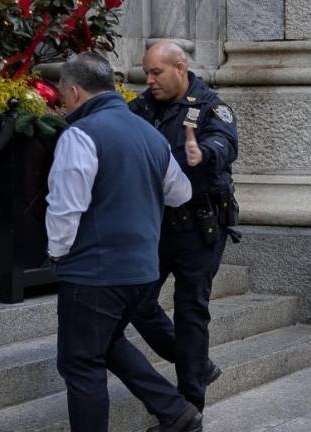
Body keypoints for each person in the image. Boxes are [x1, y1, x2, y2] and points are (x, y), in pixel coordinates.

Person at [46, 52, 201, 432]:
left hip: (94, 273)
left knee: (80, 363)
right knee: (109, 342)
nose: (61, 102)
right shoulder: (148, 132)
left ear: (77, 92)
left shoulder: (80, 134)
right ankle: (176, 411)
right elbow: (180, 193)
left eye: (63, 94)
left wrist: (57, 255)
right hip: (141, 272)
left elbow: (66, 209)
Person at [129, 41, 239, 414]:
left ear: (180, 67)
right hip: (156, 227)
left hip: (200, 228)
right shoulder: (142, 106)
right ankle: (195, 361)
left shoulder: (210, 106)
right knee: (138, 302)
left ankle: (191, 407)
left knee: (191, 311)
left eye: (156, 72)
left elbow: (225, 142)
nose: (150, 80)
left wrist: (203, 153)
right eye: (146, 72)